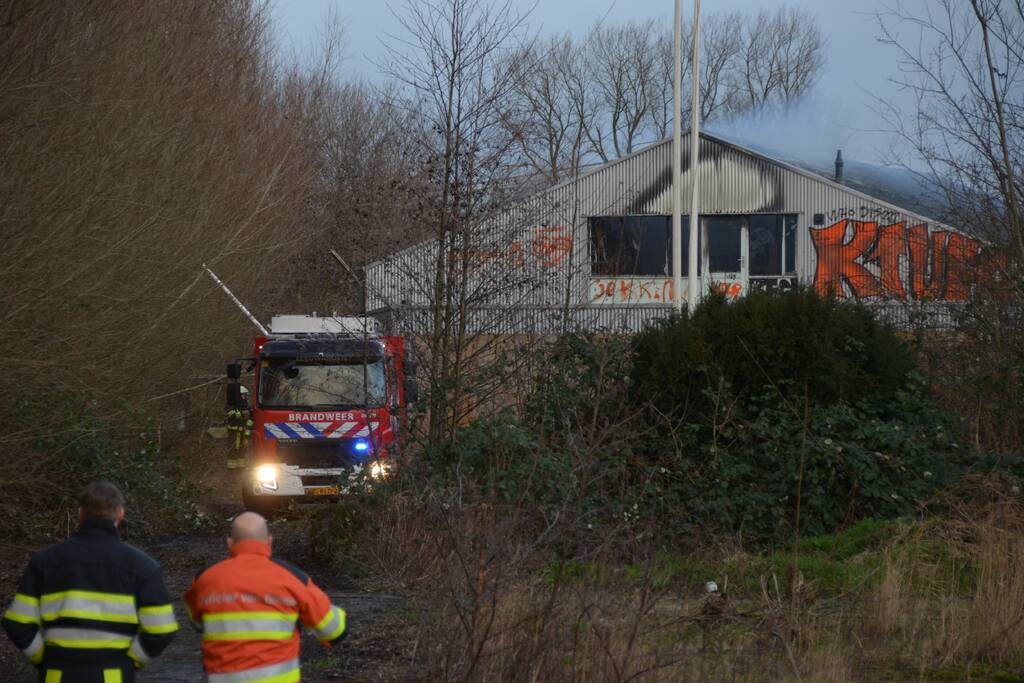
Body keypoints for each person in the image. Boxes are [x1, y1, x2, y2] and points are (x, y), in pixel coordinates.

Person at [2, 481, 178, 682]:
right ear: (120, 514)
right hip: (114, 676)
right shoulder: (143, 566)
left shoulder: (45, 561)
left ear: (80, 514)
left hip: (57, 674)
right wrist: (131, 661)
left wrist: (44, 658)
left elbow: (17, 622)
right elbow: (162, 629)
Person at [184, 511, 346, 682]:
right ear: (269, 542)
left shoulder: (204, 579)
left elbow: (197, 623)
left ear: (230, 543)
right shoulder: (293, 578)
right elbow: (334, 630)